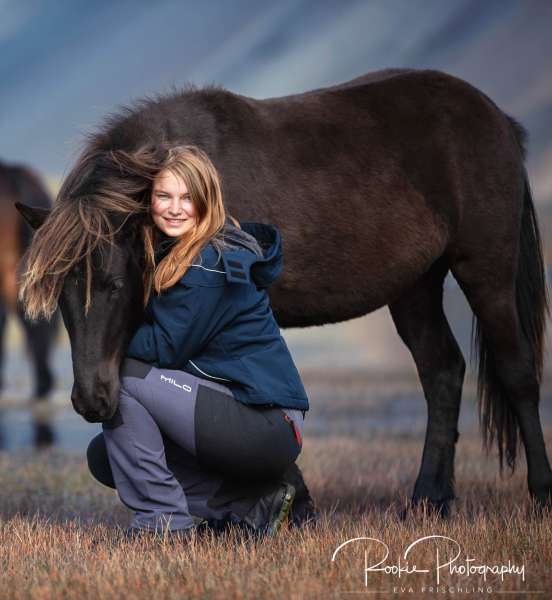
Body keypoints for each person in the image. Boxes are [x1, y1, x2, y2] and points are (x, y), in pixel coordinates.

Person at [86, 144, 310, 540]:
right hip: (232, 411)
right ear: (149, 201)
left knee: (123, 378)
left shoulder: (208, 261)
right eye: (164, 196)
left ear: (207, 202)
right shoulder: (177, 252)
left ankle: (164, 525)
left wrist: (105, 336)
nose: (174, 208)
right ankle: (255, 504)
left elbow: (163, 349)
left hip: (265, 421)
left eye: (188, 198)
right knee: (109, 456)